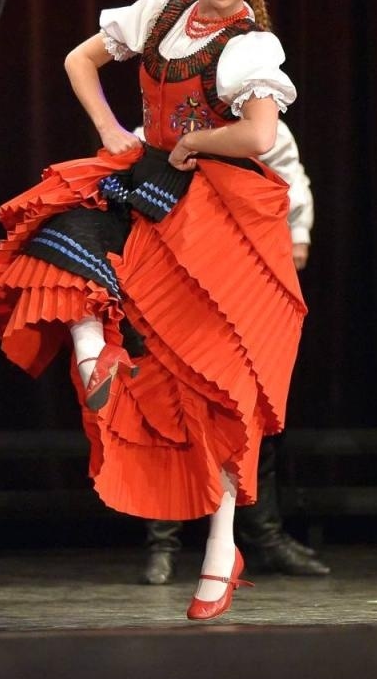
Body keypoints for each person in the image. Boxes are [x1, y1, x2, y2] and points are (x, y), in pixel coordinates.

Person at [0, 0, 305, 621]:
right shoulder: (160, 14)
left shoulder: (249, 45)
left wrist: (202, 144)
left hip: (217, 210)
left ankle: (223, 549)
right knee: (58, 241)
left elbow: (259, 132)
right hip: (150, 178)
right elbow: (81, 59)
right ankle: (96, 355)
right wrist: (109, 130)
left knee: (219, 381)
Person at [139, 119, 330, 583]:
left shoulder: (260, 122)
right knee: (172, 408)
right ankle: (162, 543)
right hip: (179, 275)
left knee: (250, 410)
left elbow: (286, 168)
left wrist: (298, 232)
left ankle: (263, 537)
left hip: (244, 276)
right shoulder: (165, 120)